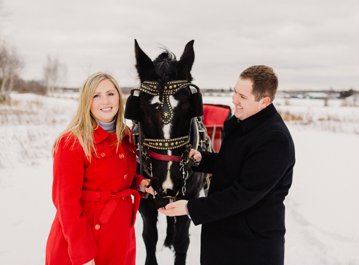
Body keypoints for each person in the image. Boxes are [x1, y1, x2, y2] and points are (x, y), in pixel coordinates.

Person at [160, 65, 296, 265]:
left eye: (243, 96)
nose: (234, 100)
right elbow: (236, 164)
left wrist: (190, 207)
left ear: (264, 101)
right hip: (226, 234)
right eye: (235, 92)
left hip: (250, 247)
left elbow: (243, 194)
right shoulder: (248, 123)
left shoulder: (274, 140)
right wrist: (202, 159)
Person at [45, 72, 155, 265]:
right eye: (96, 95)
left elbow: (118, 175)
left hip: (120, 236)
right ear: (87, 101)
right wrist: (82, 255)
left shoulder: (125, 134)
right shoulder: (72, 142)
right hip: (84, 238)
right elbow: (65, 204)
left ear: (119, 98)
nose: (105, 101)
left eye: (110, 94)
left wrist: (139, 183)